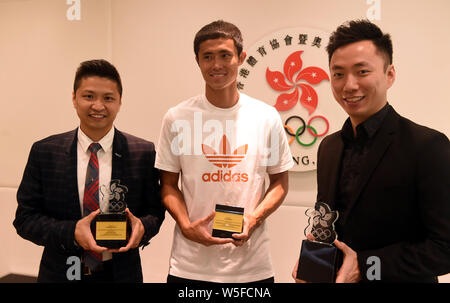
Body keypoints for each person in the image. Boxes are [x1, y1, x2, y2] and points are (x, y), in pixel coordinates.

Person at [293, 19, 450, 282]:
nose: (349, 85)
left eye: (362, 72)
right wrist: (315, 263)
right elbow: (329, 226)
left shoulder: (427, 146)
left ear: (390, 74)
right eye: (338, 74)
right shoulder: (328, 148)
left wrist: (365, 267)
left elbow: (444, 248)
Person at [155, 20, 294, 283]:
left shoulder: (266, 117)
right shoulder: (177, 118)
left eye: (225, 55)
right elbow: (169, 185)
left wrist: (253, 220)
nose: (216, 65)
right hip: (190, 267)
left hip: (252, 267)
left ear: (241, 58)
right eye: (207, 57)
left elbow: (279, 183)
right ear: (197, 61)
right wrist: (185, 225)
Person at [13, 59, 165, 282]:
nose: (98, 106)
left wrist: (143, 227)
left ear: (120, 101)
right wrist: (72, 232)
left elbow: (155, 212)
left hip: (121, 272)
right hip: (62, 270)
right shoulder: (45, 151)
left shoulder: (142, 152)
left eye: (108, 98)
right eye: (89, 96)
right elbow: (25, 219)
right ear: (74, 98)